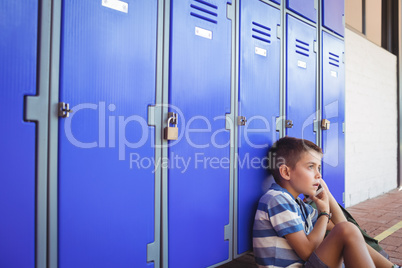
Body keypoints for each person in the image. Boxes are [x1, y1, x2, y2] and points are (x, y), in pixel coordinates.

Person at [253, 136, 400, 268]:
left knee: (347, 230)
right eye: (311, 167)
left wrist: (327, 195)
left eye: (319, 167)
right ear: (286, 172)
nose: (319, 175)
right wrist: (324, 213)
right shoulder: (277, 199)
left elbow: (342, 226)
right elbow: (307, 252)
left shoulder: (298, 204)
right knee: (346, 231)